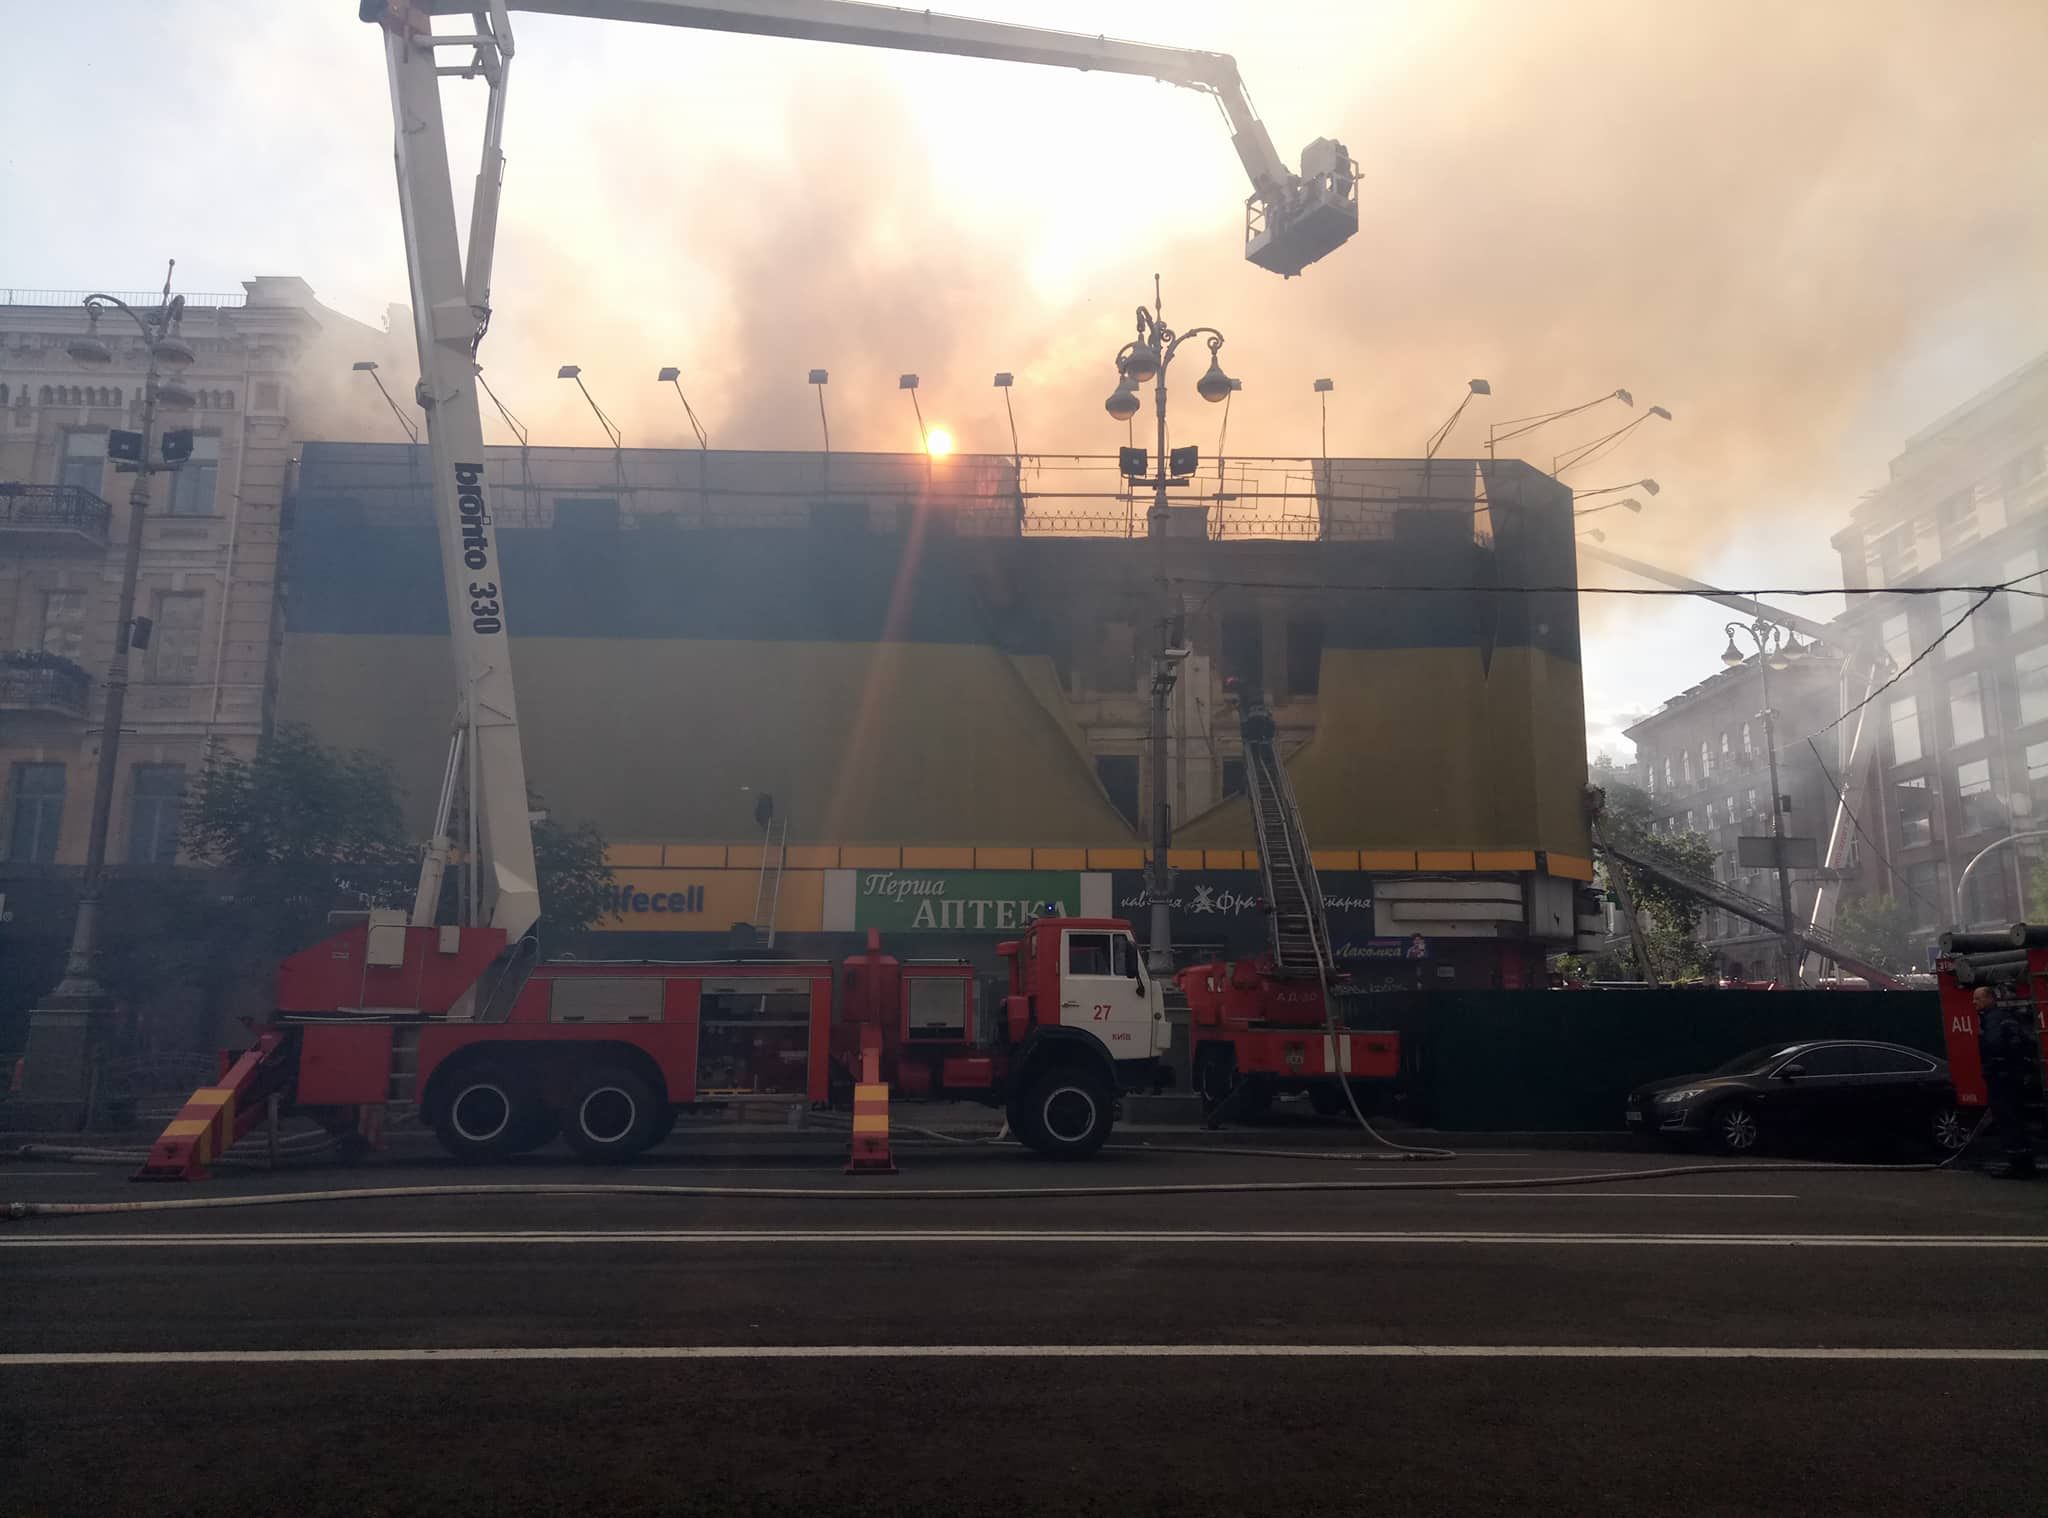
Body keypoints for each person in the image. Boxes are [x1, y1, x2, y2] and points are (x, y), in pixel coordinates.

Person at [1974, 984, 2039, 1179]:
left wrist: (1992, 1069)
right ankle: (2025, 1163)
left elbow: (1994, 1046)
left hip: (2003, 1080)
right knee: (2015, 1120)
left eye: (1977, 999)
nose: (1974, 1002)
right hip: (2013, 1077)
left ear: (1989, 999)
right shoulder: (2004, 1018)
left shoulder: (1994, 1020)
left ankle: (2019, 1165)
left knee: (2008, 1120)